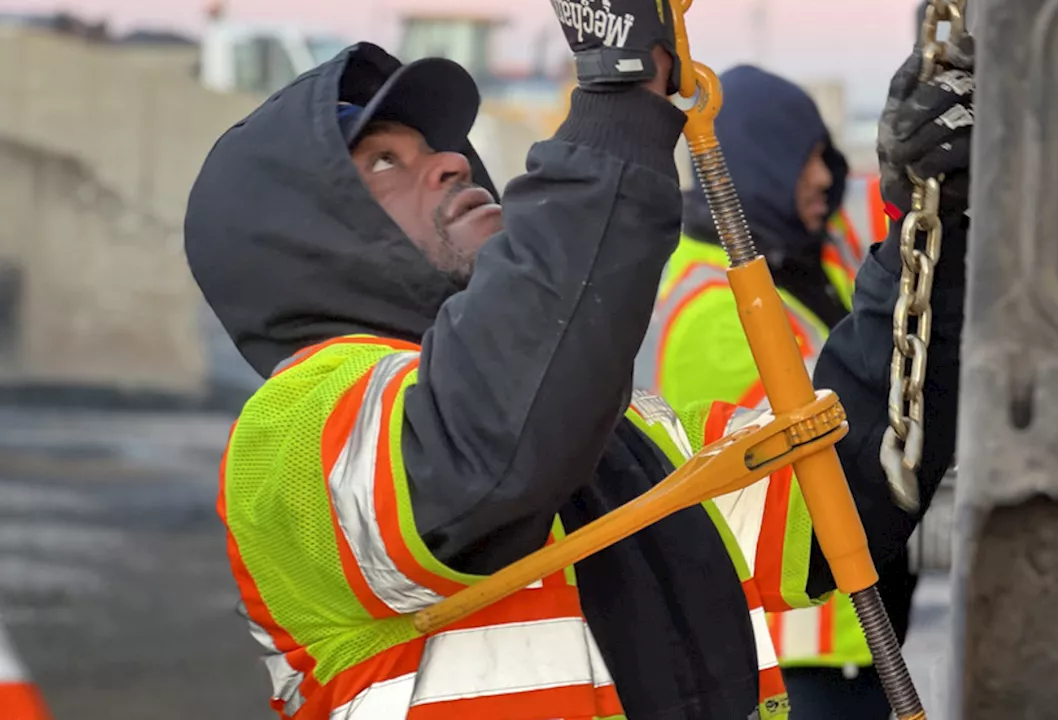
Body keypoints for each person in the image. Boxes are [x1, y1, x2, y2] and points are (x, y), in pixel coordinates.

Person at [184, 0, 975, 714]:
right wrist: (618, 104)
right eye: (385, 162)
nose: (452, 161)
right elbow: (483, 458)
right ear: (312, 244)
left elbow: (824, 504)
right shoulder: (291, 437)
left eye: (435, 145)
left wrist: (935, 227)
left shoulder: (613, 440)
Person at [632, 65, 912, 718]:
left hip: (846, 639)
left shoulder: (798, 268)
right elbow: (813, 449)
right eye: (807, 160)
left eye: (826, 159)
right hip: (803, 652)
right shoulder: (714, 302)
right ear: (759, 163)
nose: (824, 179)